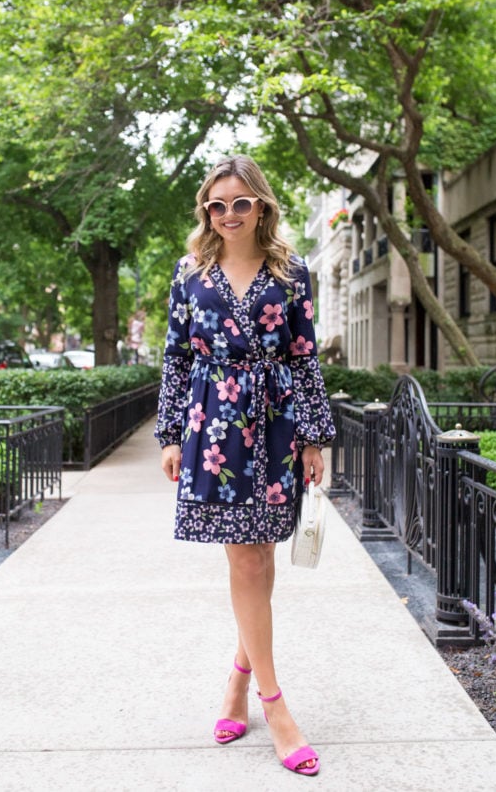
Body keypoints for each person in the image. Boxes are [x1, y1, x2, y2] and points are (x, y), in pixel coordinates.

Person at [155, 154, 335, 777]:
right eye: (216, 205)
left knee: (261, 553)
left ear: (261, 204)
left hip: (278, 422)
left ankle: (238, 675)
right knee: (245, 557)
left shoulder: (292, 272)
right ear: (207, 210)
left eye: (240, 203)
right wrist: (171, 433)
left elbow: (304, 354)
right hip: (212, 428)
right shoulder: (189, 272)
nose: (228, 215)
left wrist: (314, 437)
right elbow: (176, 358)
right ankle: (275, 705)